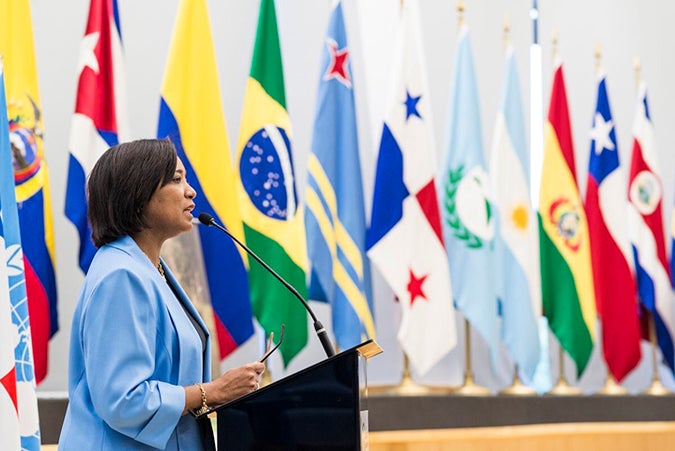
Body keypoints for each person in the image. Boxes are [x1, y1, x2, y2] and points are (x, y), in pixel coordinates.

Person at [58, 139, 265, 450]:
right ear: (138, 194)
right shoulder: (121, 276)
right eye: (177, 179)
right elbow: (123, 400)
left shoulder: (150, 268)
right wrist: (214, 391)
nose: (191, 191)